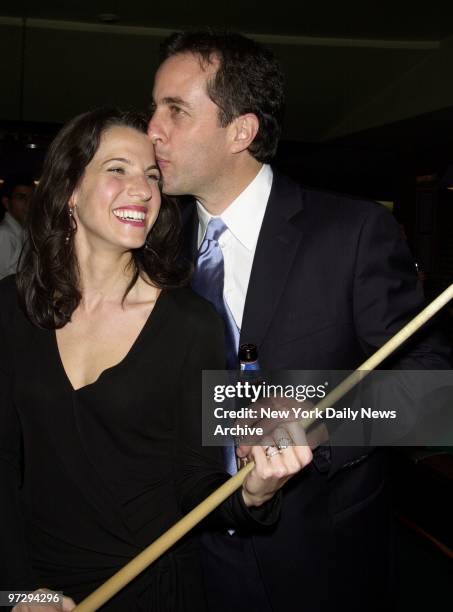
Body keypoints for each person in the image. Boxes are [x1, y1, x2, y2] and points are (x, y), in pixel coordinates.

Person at [148, 31, 451, 612]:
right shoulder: (155, 251)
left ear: (241, 131)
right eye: (153, 108)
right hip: (183, 565)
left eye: (175, 110)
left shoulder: (352, 233)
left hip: (316, 565)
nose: (152, 129)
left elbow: (437, 393)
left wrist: (317, 417)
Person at [0, 108, 312, 611]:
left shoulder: (192, 324)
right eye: (117, 169)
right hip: (34, 587)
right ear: (69, 190)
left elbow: (197, 480)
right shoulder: (11, 308)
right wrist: (15, 591)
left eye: (151, 175)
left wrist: (254, 492)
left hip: (154, 589)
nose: (143, 190)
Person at [0, 176, 34, 279]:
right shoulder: (4, 234)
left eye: (32, 198)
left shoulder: (24, 231)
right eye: (21, 198)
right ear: (6, 202)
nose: (29, 204)